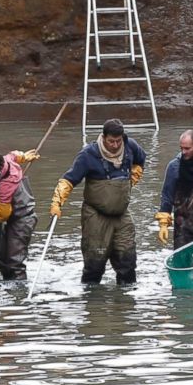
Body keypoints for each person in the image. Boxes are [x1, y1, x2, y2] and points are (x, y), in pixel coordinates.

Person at [51, 118, 147, 284]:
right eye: (111, 141)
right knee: (94, 264)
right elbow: (69, 179)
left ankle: (125, 303)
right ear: (103, 138)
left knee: (127, 261)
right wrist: (57, 202)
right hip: (95, 215)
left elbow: (141, 159)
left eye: (118, 141)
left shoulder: (130, 146)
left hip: (122, 215)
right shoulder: (89, 154)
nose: (115, 145)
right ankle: (93, 302)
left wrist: (135, 174)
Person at [0, 147, 38, 280]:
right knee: (1, 258)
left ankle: (18, 292)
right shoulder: (6, 161)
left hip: (23, 220)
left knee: (14, 262)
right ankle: (7, 284)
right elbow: (14, 155)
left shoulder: (6, 183)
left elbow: (4, 214)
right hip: (13, 220)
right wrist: (24, 156)